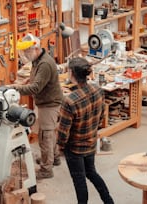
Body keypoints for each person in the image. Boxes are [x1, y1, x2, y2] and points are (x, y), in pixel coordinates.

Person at [57, 57, 114, 204]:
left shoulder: (69, 101)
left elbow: (63, 132)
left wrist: (60, 146)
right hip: (91, 143)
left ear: (71, 73)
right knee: (91, 172)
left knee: (79, 180)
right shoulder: (98, 90)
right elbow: (101, 116)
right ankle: (108, 201)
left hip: (75, 148)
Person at [9, 33, 63, 179]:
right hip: (46, 102)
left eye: (27, 52)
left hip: (50, 104)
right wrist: (27, 80)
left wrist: (16, 88)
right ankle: (54, 158)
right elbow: (36, 77)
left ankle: (46, 169)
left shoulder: (44, 63)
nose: (25, 54)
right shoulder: (38, 60)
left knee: (45, 135)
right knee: (49, 133)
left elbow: (36, 88)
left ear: (36, 48)